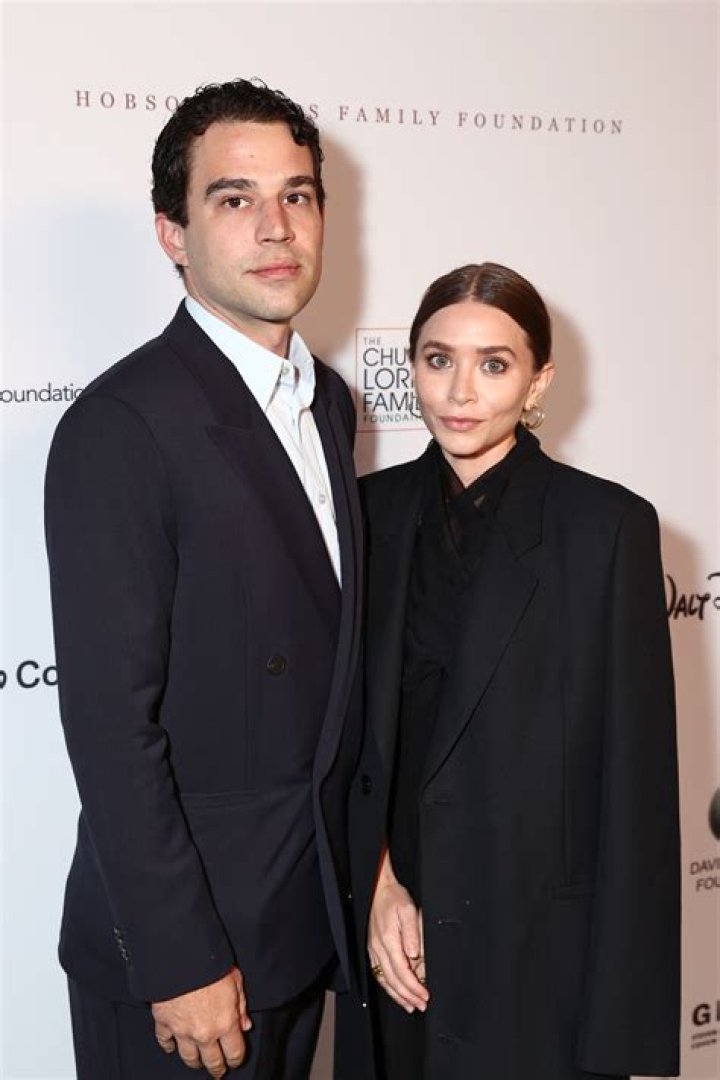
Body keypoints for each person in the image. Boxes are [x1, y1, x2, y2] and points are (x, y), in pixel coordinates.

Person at [45, 78, 363, 1080]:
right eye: (235, 198)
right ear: (172, 234)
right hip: (186, 959)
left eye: (298, 195)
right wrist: (179, 957)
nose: (276, 226)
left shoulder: (331, 403)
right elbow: (110, 724)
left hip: (301, 925)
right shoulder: (122, 426)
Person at [335, 263, 680, 1080]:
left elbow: (636, 789)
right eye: (438, 359)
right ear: (411, 366)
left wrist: (619, 1028)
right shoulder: (365, 517)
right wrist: (375, 885)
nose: (460, 391)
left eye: (494, 364)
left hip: (541, 962)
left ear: (539, 380)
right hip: (399, 944)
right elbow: (339, 743)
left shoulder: (606, 529)